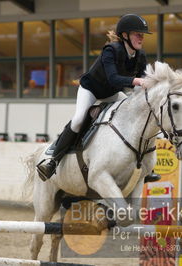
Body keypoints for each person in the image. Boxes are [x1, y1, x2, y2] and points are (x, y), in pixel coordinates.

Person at [37, 14, 161, 183]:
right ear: (125, 36)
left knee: (137, 116)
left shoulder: (141, 56)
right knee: (79, 119)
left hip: (112, 93)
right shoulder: (111, 50)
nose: (141, 38)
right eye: (137, 34)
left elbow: (141, 85)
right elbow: (113, 78)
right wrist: (137, 81)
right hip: (91, 90)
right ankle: (53, 161)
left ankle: (145, 167)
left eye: (142, 35)